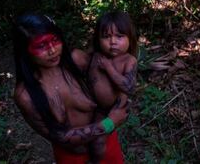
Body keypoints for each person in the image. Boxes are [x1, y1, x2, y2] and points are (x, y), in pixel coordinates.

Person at [12, 13, 128, 163]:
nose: (52, 50)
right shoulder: (25, 96)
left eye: (55, 40)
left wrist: (120, 103)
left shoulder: (77, 60)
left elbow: (114, 84)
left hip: (106, 145)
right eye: (41, 46)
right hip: (72, 157)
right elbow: (59, 136)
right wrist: (109, 123)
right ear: (24, 50)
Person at [87, 11, 138, 163]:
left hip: (111, 112)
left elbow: (129, 87)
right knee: (87, 138)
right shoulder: (96, 55)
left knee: (99, 143)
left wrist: (109, 68)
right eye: (106, 36)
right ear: (98, 39)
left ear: (130, 38)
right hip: (93, 107)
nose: (113, 41)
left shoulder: (129, 60)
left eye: (119, 36)